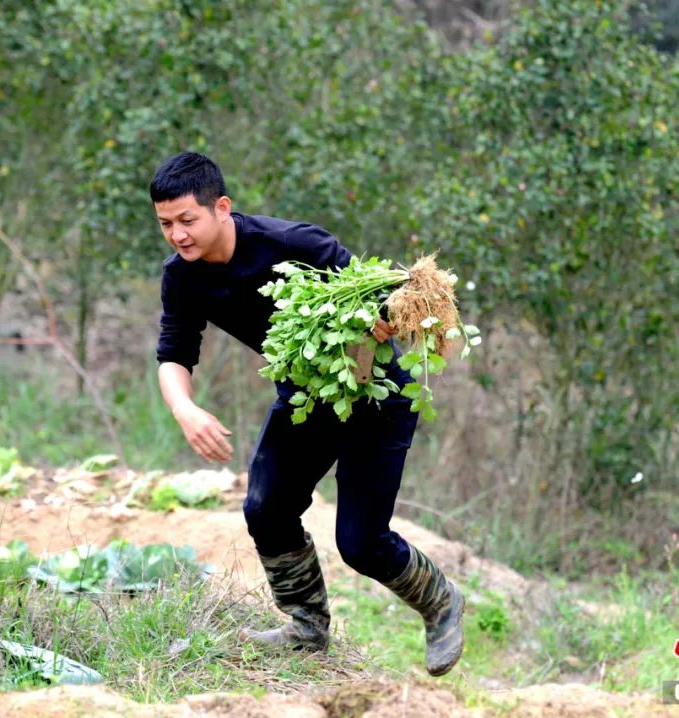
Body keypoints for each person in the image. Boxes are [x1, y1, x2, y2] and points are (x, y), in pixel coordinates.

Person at [150, 151, 464, 676]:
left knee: (361, 544)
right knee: (266, 507)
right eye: (165, 224)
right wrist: (185, 408)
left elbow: (381, 294)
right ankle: (306, 628)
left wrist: (382, 319)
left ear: (221, 208)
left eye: (187, 220)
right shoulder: (181, 278)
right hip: (306, 399)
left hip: (377, 396)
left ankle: (441, 601)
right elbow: (173, 354)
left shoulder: (293, 244)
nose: (177, 235)